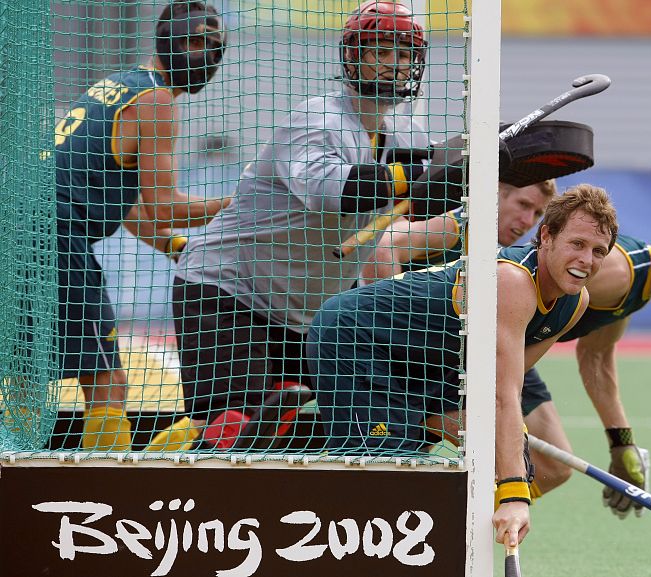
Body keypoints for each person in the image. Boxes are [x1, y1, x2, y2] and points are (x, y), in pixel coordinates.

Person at [146, 1, 446, 452]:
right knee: (231, 430)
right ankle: (150, 473)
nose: (393, 65)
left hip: (311, 313)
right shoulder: (317, 117)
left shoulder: (410, 132)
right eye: (380, 51)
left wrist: (457, 175)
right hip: (229, 292)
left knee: (386, 407)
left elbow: (417, 210)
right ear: (353, 56)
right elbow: (334, 193)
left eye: (403, 55)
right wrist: (427, 172)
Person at [307, 184, 619, 548]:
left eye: (599, 251)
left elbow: (494, 389)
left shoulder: (574, 303)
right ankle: (304, 435)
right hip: (358, 339)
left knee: (416, 476)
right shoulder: (513, 281)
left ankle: (305, 425)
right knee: (382, 486)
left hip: (427, 364)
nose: (587, 259)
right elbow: (504, 397)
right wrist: (514, 494)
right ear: (546, 237)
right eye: (577, 244)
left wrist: (490, 447)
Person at [52, 0, 229, 451]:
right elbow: (166, 205)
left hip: (29, 226)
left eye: (213, 48)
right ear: (166, 42)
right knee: (108, 381)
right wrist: (240, 200)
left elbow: (132, 211)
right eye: (194, 43)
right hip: (57, 236)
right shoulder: (156, 101)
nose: (204, 57)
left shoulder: (122, 84)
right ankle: (102, 488)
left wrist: (177, 248)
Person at [522, 213, 651, 518]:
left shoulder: (635, 288)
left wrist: (621, 444)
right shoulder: (619, 272)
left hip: (510, 360)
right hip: (469, 348)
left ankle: (468, 519)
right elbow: (528, 284)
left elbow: (596, 359)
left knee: (554, 467)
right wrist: (499, 387)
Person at [359, 178, 556, 283]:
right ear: (496, 194)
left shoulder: (495, 251)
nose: (528, 221)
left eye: (538, 213)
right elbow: (383, 247)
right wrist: (397, 331)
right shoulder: (454, 224)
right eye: (523, 204)